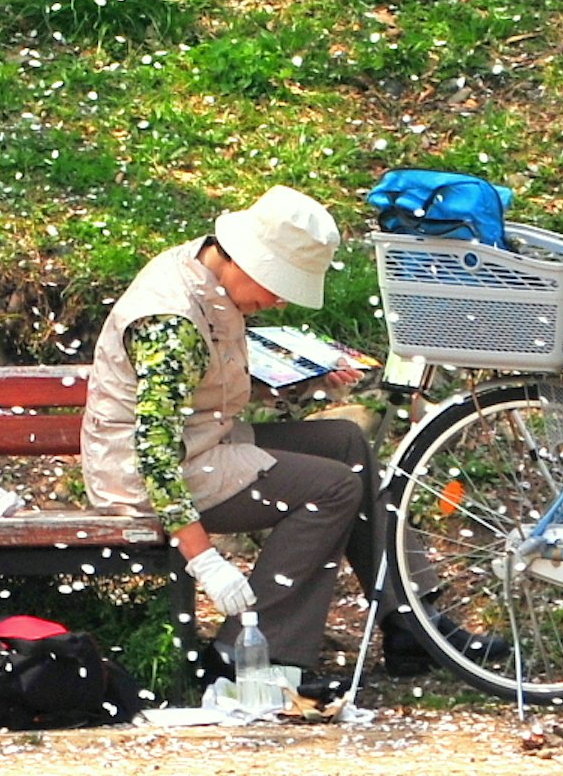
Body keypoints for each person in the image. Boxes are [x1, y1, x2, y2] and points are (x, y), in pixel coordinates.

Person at [79, 186, 382, 693]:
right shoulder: (171, 322)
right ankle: (253, 656)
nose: (279, 300)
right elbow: (153, 452)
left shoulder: (206, 271)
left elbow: (205, 382)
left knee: (345, 442)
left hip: (200, 444)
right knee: (332, 487)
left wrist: (308, 379)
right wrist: (205, 561)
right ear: (244, 259)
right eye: (277, 285)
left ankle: (408, 615)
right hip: (145, 474)